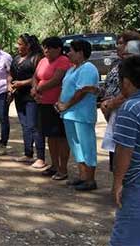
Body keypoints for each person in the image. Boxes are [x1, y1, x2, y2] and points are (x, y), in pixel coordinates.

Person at [110, 55, 140, 246]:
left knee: (129, 239)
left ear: (126, 82)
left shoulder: (130, 107)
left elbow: (124, 151)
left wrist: (118, 183)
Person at [55, 39, 100, 191]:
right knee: (76, 146)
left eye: (71, 51)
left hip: (82, 114)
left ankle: (90, 179)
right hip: (69, 114)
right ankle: (82, 176)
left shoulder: (88, 68)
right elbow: (67, 88)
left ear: (80, 52)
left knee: (87, 146)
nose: (68, 54)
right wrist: (60, 103)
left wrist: (66, 104)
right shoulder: (72, 69)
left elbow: (82, 91)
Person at [100, 31, 140, 171]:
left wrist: (111, 104)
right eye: (117, 43)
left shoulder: (139, 66)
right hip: (113, 115)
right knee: (116, 157)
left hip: (127, 113)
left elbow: (129, 91)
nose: (117, 46)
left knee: (128, 158)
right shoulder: (116, 63)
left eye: (121, 43)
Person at [32, 36, 71, 181]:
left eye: (49, 48)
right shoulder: (42, 61)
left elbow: (56, 80)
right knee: (50, 136)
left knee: (61, 137)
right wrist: (35, 88)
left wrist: (39, 88)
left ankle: (63, 168)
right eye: (45, 47)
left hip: (56, 104)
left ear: (58, 49)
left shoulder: (63, 61)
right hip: (43, 103)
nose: (46, 50)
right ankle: (54, 165)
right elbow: (35, 76)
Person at [9, 34, 46, 168]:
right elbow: (11, 74)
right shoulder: (16, 58)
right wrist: (10, 84)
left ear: (28, 45)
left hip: (31, 96)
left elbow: (37, 77)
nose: (17, 46)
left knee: (34, 126)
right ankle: (28, 153)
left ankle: (41, 157)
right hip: (19, 95)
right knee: (25, 125)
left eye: (20, 44)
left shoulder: (36, 58)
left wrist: (23, 83)